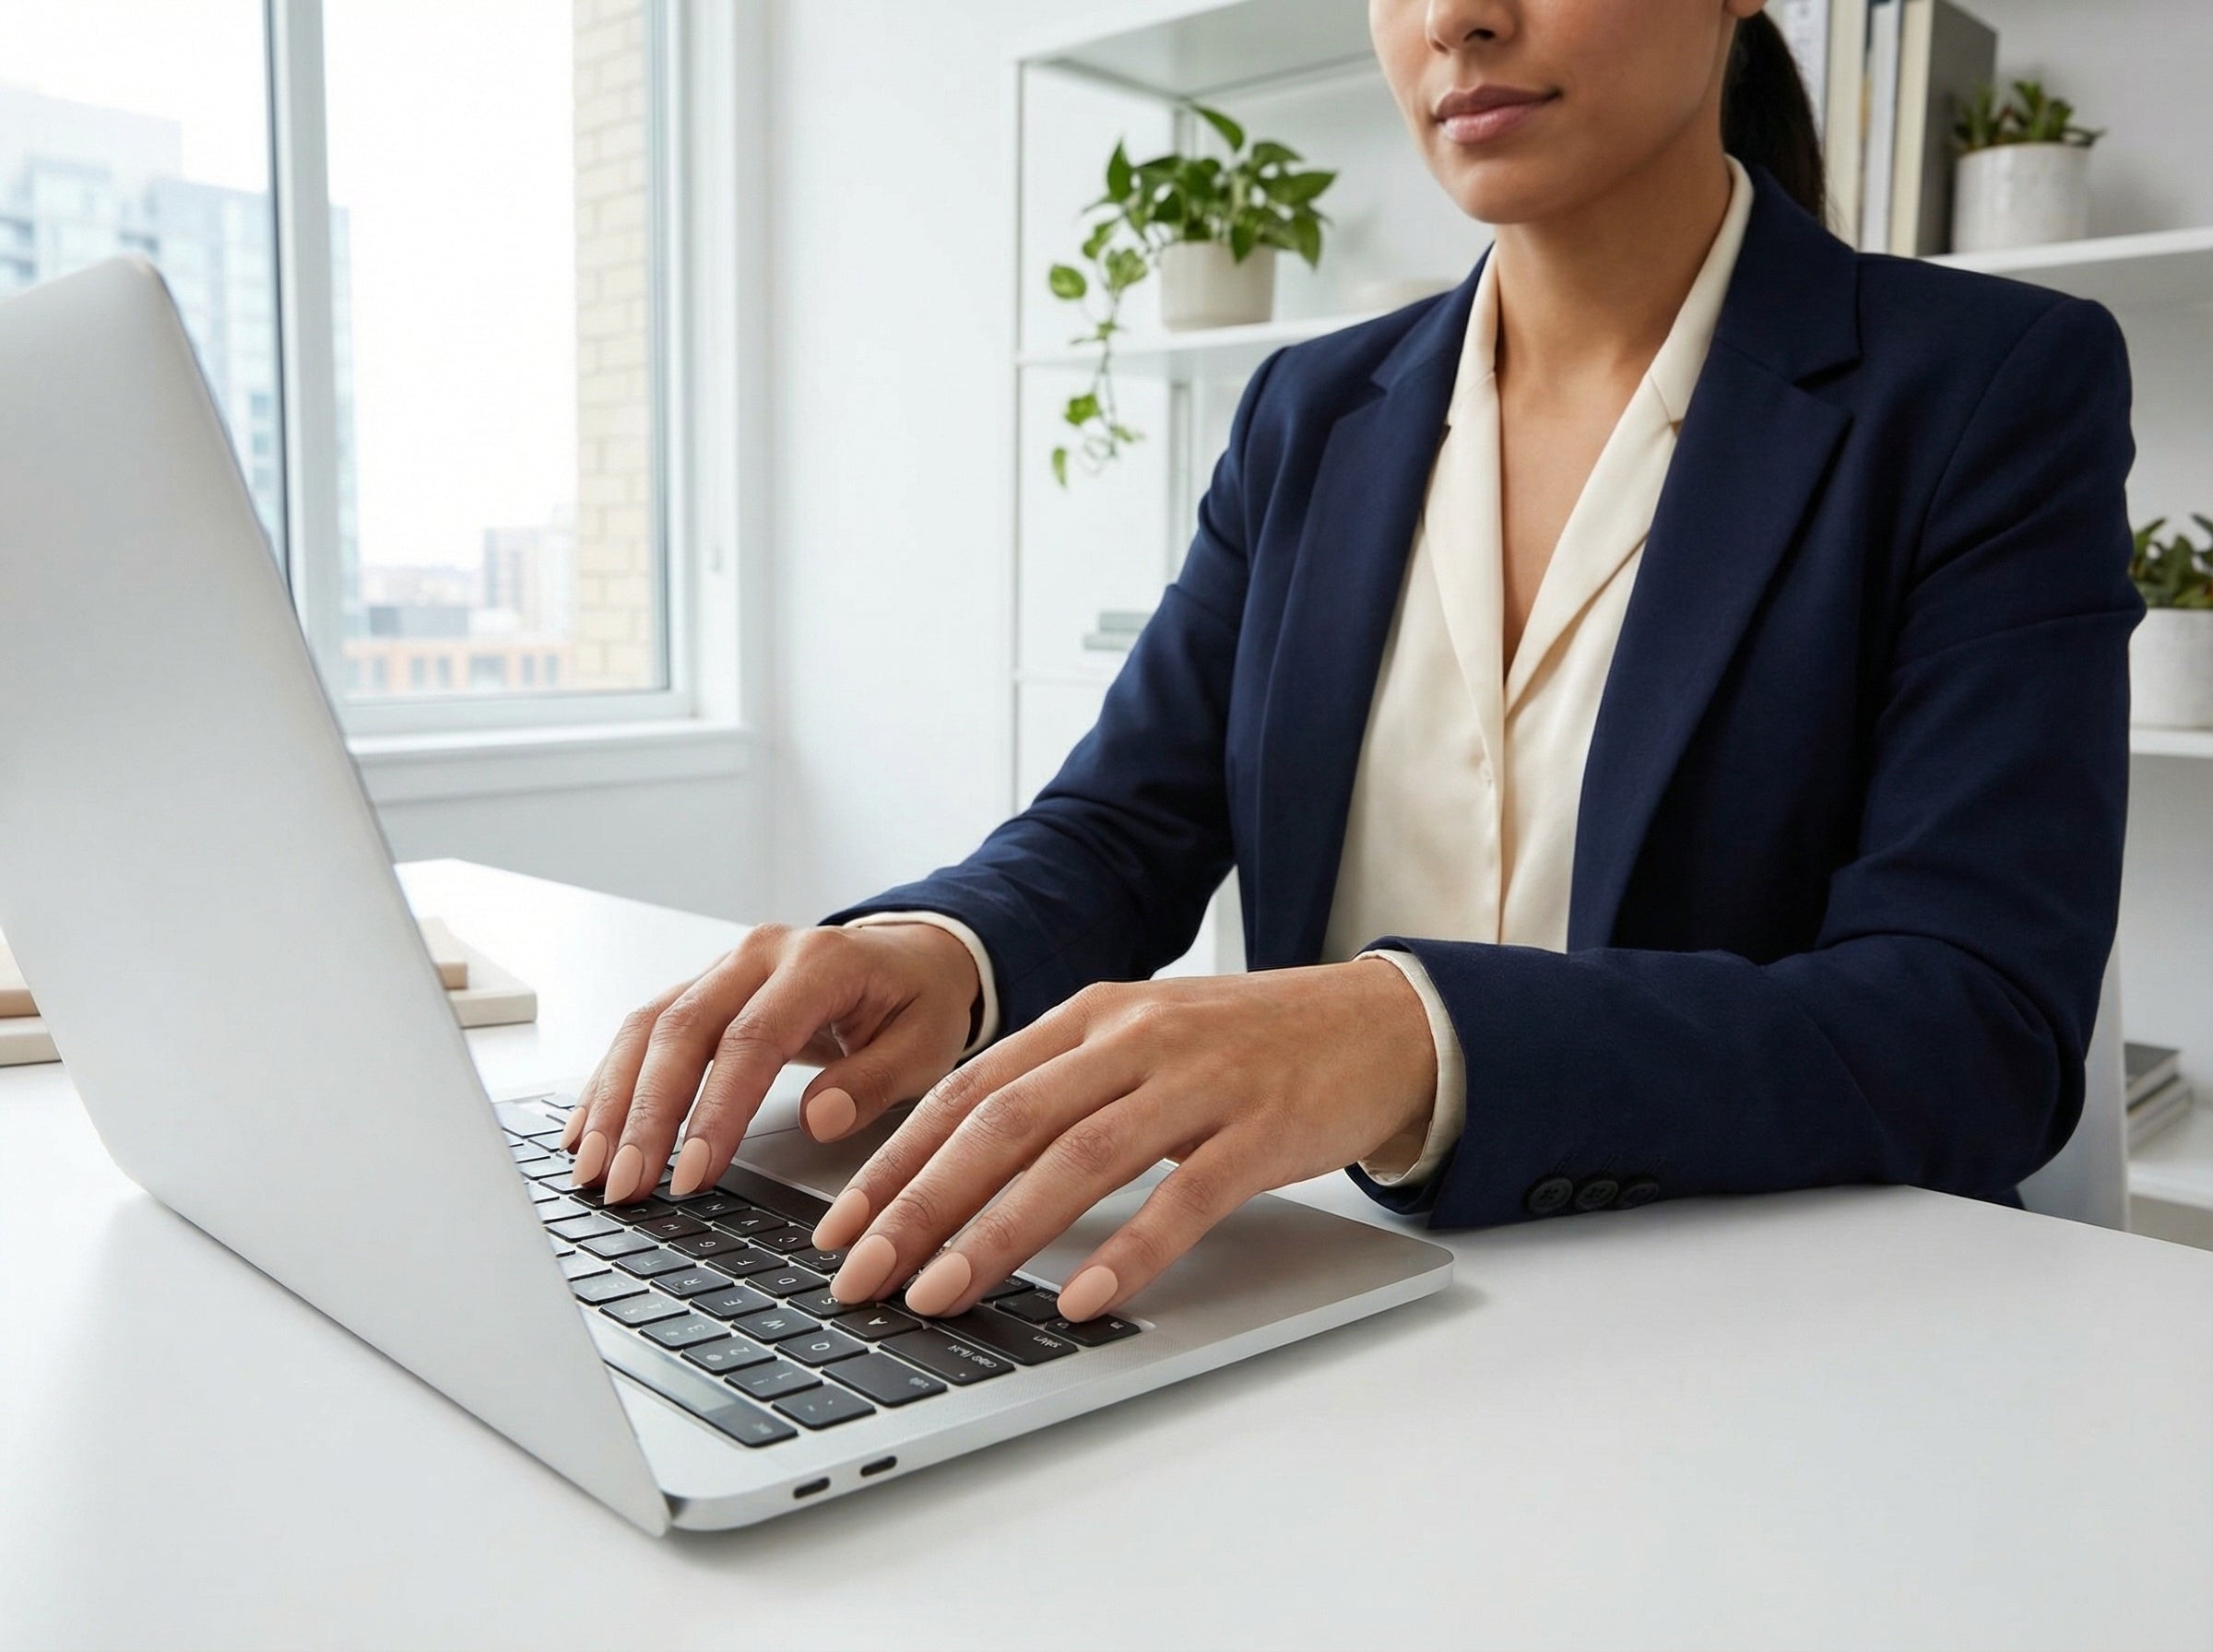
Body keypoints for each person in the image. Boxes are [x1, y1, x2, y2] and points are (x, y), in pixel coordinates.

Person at [560, 0, 2140, 1328]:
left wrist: (1407, 1033)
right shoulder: (1311, 414)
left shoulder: (1986, 390)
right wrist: (937, 949)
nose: (1456, 16)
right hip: (1335, 1317)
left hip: (1789, 1342)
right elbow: (1123, 823)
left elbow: (1971, 1024)